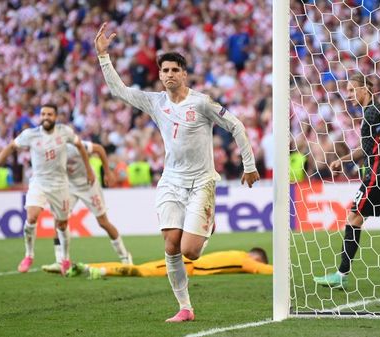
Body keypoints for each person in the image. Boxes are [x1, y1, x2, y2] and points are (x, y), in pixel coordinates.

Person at [94, 22, 260, 322]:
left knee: (191, 251)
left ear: (184, 74)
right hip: (171, 181)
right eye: (165, 70)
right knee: (171, 245)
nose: (169, 74)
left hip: (201, 181)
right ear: (160, 75)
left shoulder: (202, 102)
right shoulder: (155, 101)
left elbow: (235, 124)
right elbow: (118, 90)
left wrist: (249, 166)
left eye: (175, 70)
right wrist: (104, 56)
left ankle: (207, 224)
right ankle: (185, 307)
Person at [313, 74, 380, 291]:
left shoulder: (374, 111)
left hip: (377, 177)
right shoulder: (371, 111)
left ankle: (341, 275)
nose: (349, 95)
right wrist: (342, 160)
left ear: (364, 89)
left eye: (352, 90)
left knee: (353, 218)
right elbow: (367, 148)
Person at [0, 104, 95, 275]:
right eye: (43, 114)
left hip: (60, 184)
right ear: (40, 116)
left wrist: (89, 169)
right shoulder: (31, 135)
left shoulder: (64, 131)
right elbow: (10, 146)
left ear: (56, 117)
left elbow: (80, 146)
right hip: (39, 182)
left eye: (50, 114)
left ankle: (65, 259)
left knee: (62, 224)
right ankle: (29, 255)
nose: (46, 117)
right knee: (31, 217)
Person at [41, 140, 133, 274]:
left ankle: (125, 256)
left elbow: (100, 149)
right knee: (59, 220)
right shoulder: (49, 155)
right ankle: (60, 261)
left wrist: (107, 172)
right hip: (70, 187)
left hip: (89, 186)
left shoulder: (74, 145)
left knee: (103, 222)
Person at [63, 247, 272, 279]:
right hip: (187, 264)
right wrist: (278, 269)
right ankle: (93, 269)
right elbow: (257, 268)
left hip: (188, 263)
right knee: (143, 271)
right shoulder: (246, 260)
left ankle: (91, 267)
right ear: (256, 256)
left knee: (143, 268)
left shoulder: (238, 253)